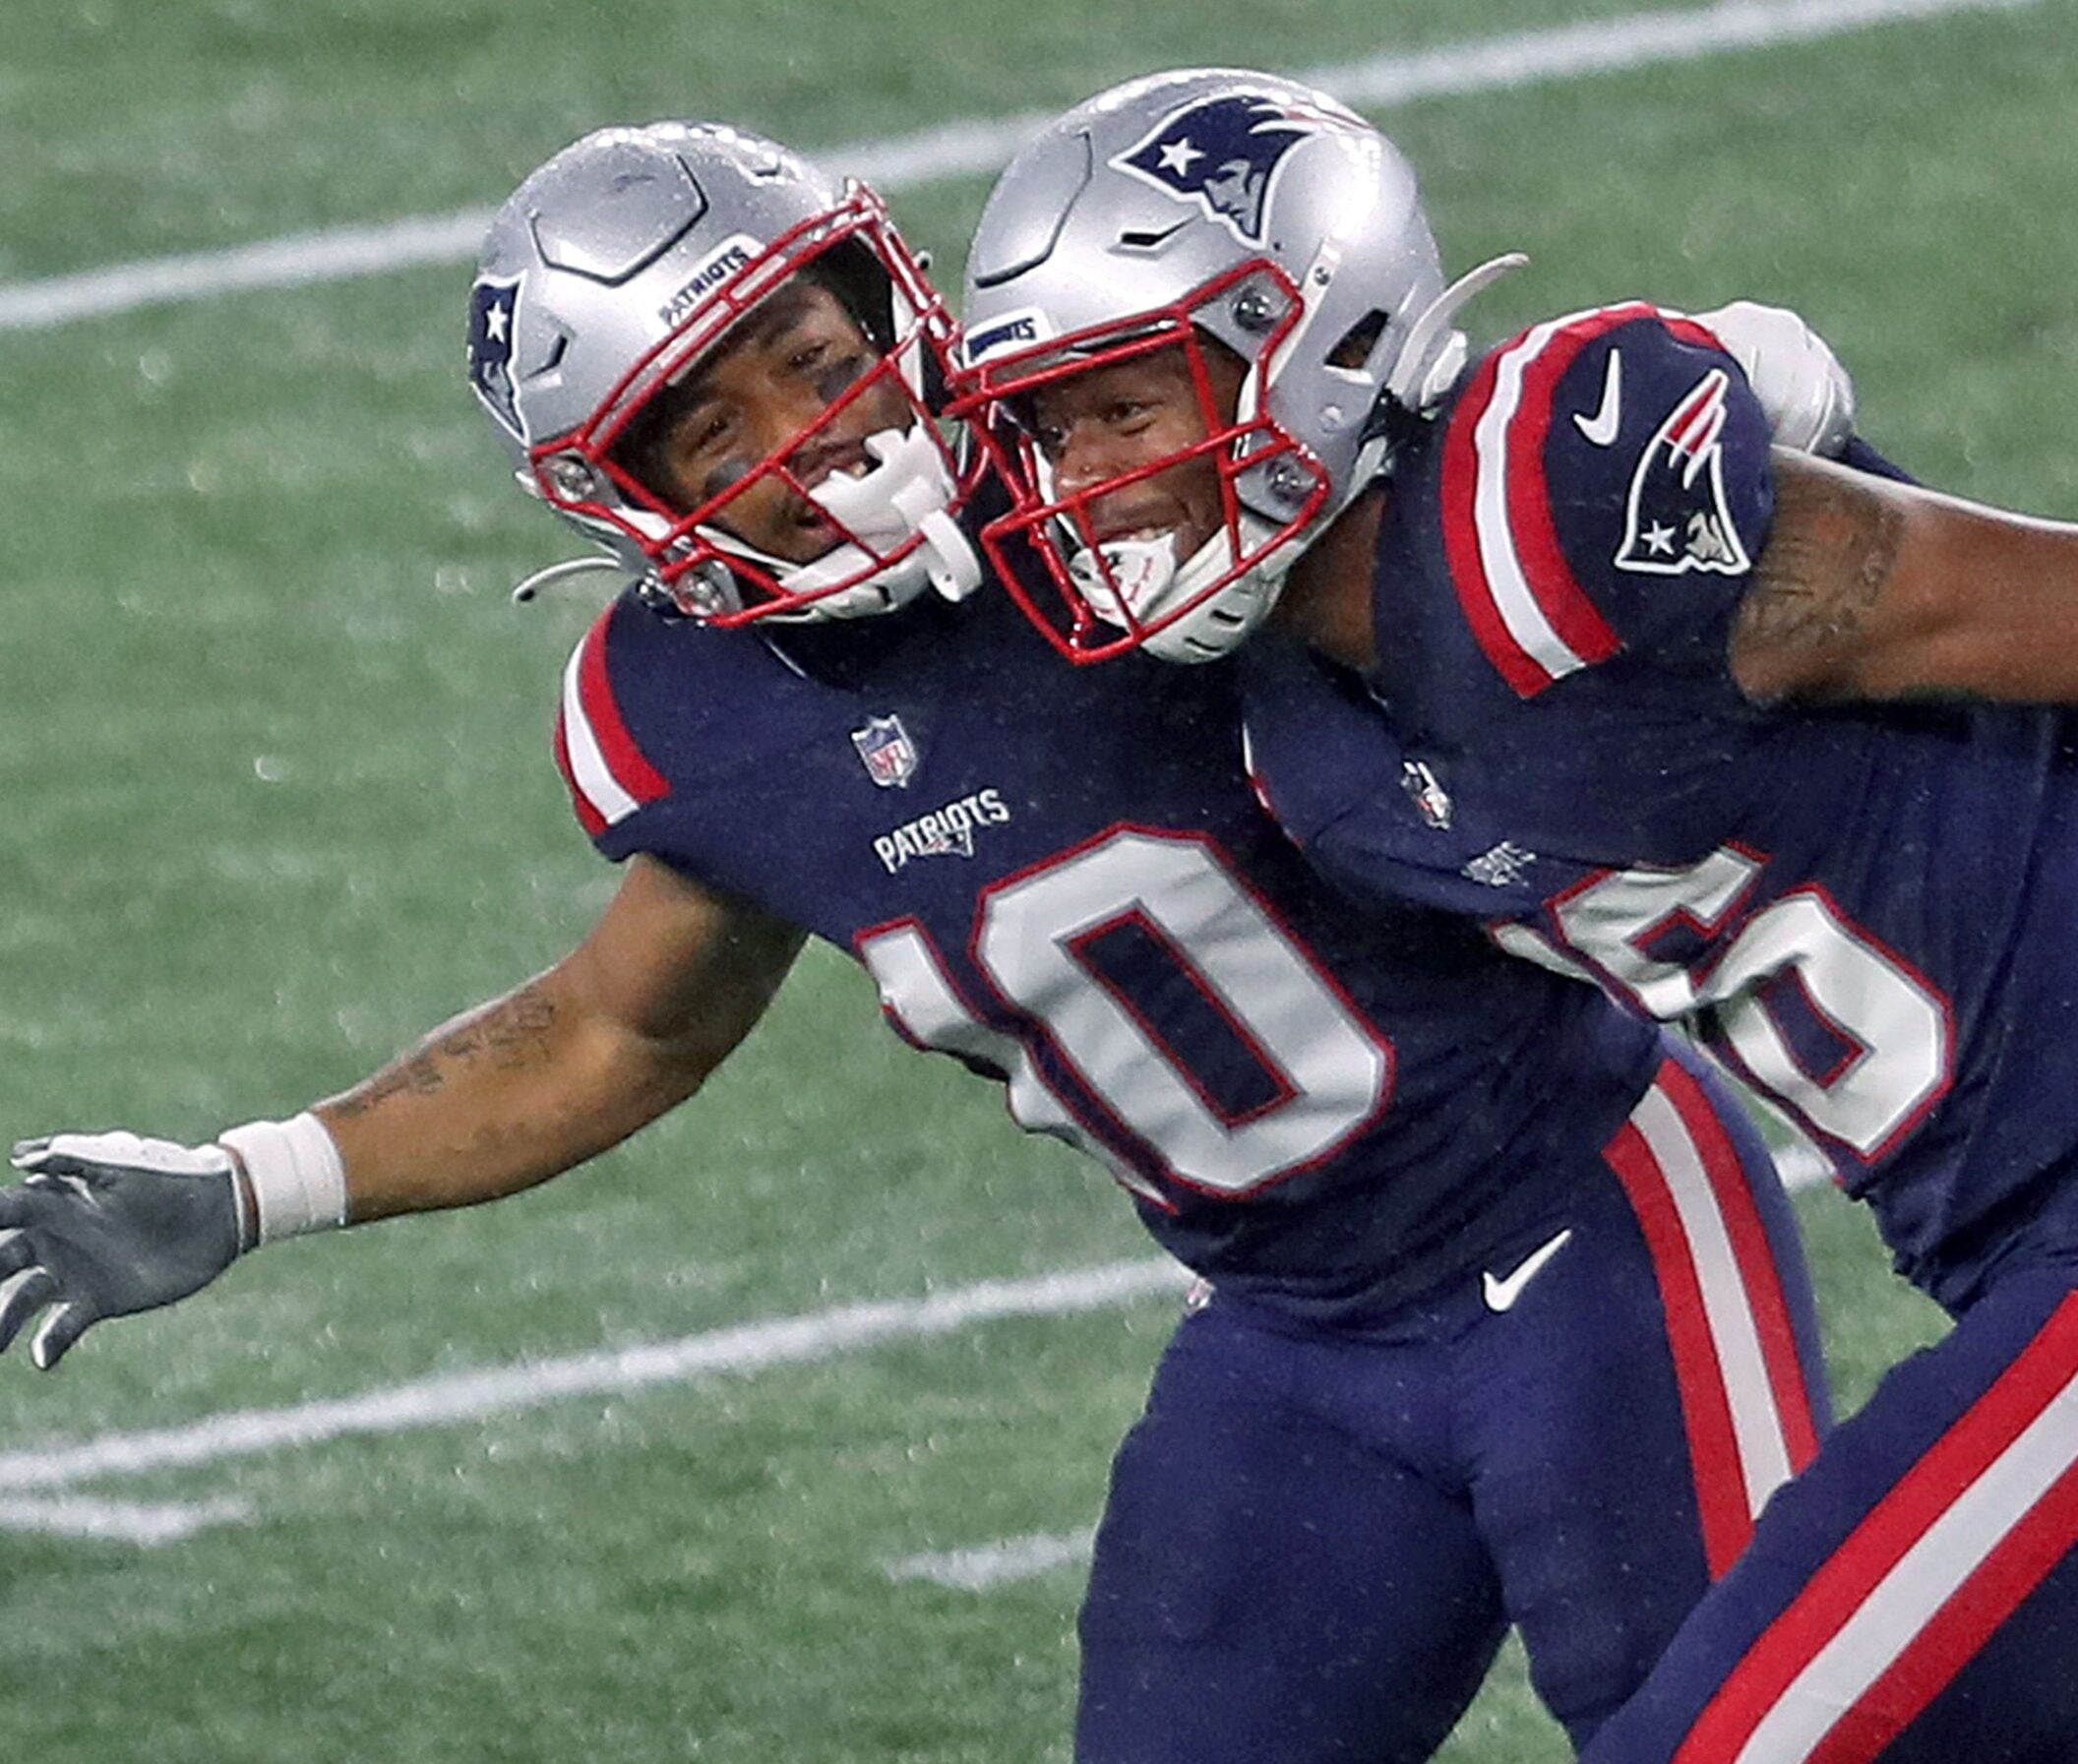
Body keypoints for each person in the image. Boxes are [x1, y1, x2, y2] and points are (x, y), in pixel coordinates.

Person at [0, 121, 1844, 1763]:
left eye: (813, 353)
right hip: (1288, 1329)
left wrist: (1700, 403)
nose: (820, 430)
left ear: (892, 296)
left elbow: (1424, 441)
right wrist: (256, 1180)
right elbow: (618, 1031)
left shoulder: (1129, 466)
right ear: (623, 492)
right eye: (710, 424)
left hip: (1585, 1229)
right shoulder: (684, 717)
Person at [948, 66, 2078, 1763]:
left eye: (1128, 405)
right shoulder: (1305, 736)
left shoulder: (1556, 515)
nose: (1087, 476)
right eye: (1052, 422)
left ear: (1309, 339)